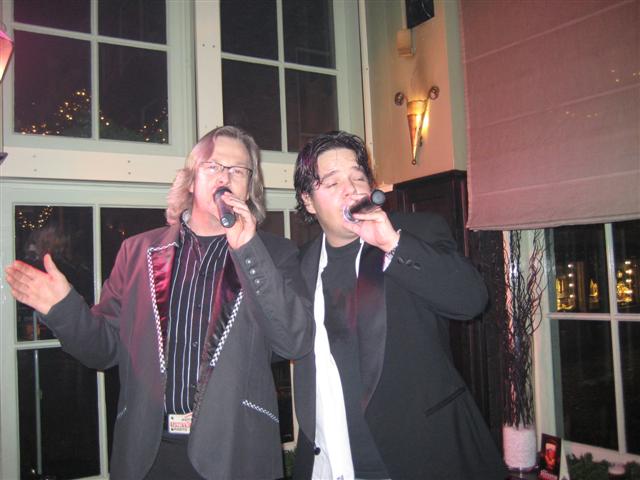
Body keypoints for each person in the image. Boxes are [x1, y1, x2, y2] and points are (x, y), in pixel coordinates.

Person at [5, 126, 314, 480]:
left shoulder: (274, 254)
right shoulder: (137, 251)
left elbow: (294, 341)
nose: (225, 177)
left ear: (249, 187)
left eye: (238, 170)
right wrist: (63, 309)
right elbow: (104, 349)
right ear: (191, 180)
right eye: (213, 166)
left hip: (237, 453)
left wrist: (248, 249)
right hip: (150, 454)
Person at [291, 131, 507, 480]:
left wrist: (392, 244)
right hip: (331, 461)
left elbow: (472, 300)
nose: (351, 190)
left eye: (358, 178)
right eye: (332, 183)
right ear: (308, 201)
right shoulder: (300, 264)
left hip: (422, 455)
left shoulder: (415, 232)